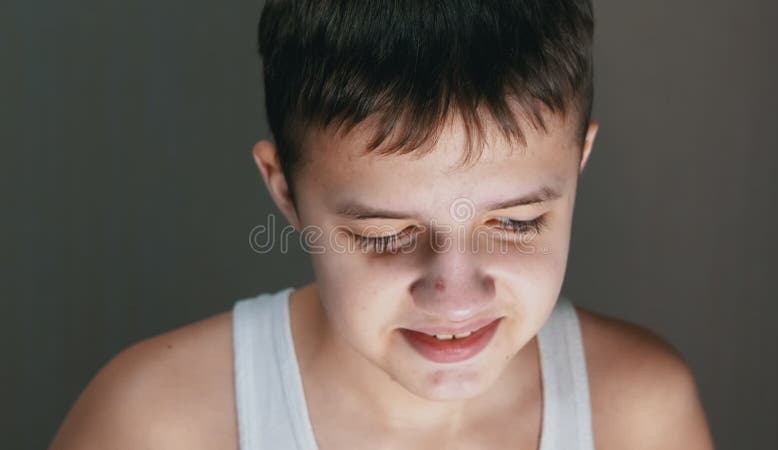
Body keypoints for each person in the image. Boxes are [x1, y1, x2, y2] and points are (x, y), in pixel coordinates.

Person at [49, 1, 714, 449]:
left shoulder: (640, 417)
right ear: (285, 190)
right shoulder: (159, 427)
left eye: (516, 221)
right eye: (385, 236)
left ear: (579, 163)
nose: (455, 296)